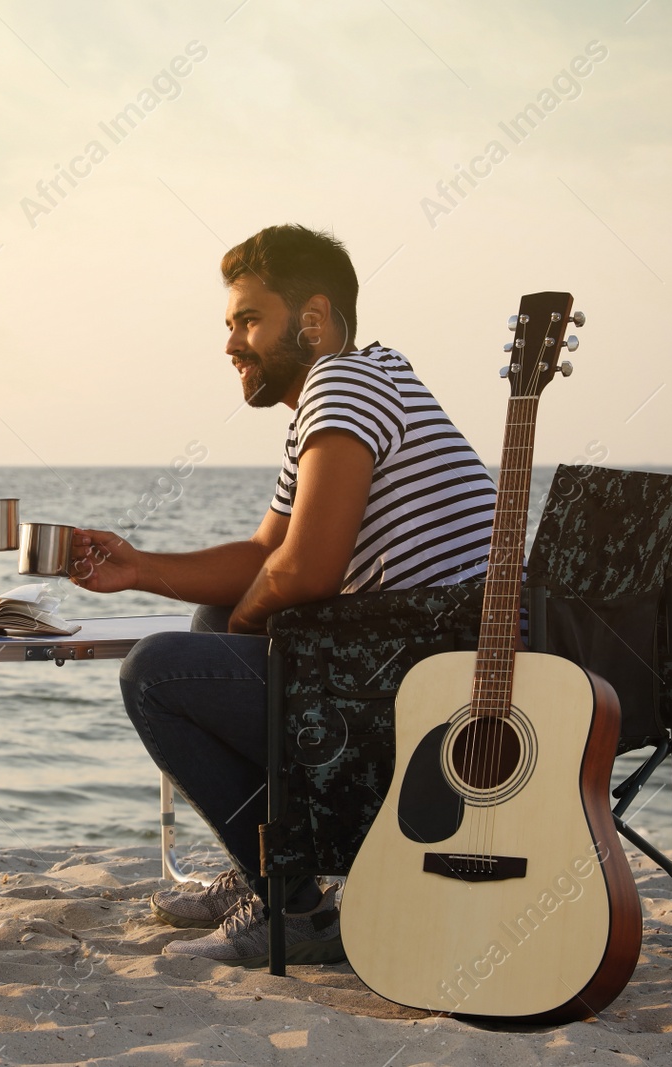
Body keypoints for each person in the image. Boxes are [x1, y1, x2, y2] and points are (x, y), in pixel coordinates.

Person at [71, 224, 497, 967]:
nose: (231, 344)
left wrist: (245, 618)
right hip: (411, 661)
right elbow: (268, 552)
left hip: (428, 693)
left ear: (314, 320)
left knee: (156, 672)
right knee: (208, 625)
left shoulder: (341, 381)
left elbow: (305, 571)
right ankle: (269, 868)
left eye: (247, 320)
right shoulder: (354, 387)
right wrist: (136, 567)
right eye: (230, 323)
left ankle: (292, 901)